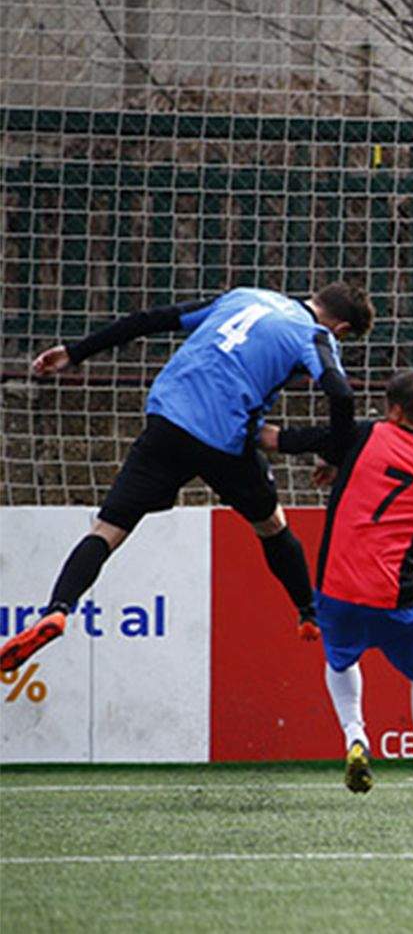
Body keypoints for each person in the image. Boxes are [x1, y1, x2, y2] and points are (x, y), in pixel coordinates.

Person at [1, 283, 373, 673]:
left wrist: (76, 352)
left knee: (107, 529)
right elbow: (341, 394)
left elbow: (150, 319)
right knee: (272, 525)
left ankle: (57, 610)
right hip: (224, 442)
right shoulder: (314, 336)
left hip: (167, 419)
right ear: (342, 328)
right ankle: (309, 613)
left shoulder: (243, 297)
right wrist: (335, 455)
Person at [261, 370, 413, 808]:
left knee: (339, 662)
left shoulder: (362, 436)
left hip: (337, 589)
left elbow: (285, 440)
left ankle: (355, 734)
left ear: (395, 410)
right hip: (399, 595)